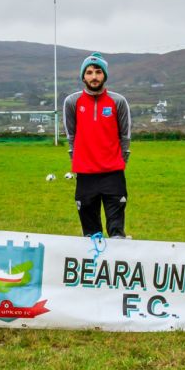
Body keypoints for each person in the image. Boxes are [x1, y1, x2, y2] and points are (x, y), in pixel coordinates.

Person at [63, 53, 132, 237]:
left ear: (105, 75)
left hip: (113, 175)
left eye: (98, 72)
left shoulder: (118, 101)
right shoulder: (72, 102)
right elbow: (71, 136)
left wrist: (120, 162)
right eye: (90, 72)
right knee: (91, 235)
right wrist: (79, 161)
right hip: (86, 176)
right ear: (83, 76)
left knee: (116, 233)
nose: (94, 76)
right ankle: (94, 265)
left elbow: (125, 136)